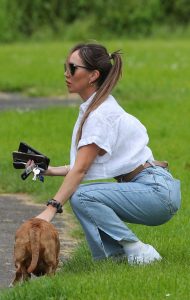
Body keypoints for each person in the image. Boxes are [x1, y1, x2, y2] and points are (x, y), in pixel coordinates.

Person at [35, 43, 181, 264]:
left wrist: (50, 209)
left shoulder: (100, 115)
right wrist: (50, 170)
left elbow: (81, 170)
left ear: (93, 75)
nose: (66, 73)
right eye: (65, 67)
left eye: (72, 68)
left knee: (82, 196)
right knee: (84, 196)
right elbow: (84, 164)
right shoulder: (97, 108)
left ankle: (138, 251)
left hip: (156, 191)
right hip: (153, 188)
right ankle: (114, 260)